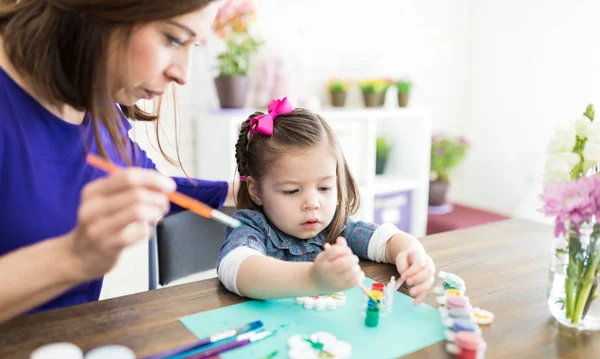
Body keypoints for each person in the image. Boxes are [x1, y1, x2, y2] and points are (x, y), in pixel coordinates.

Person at [0, 0, 231, 322]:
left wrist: (243, 192)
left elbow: (156, 188)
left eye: (196, 46)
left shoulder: (90, 96)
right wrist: (72, 257)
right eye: (174, 39)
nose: (183, 74)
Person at [217, 98, 436, 305]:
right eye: (292, 190)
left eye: (324, 188)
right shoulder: (252, 227)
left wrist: (411, 255)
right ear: (256, 191)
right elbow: (237, 268)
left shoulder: (335, 228)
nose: (313, 203)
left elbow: (386, 240)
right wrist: (313, 278)